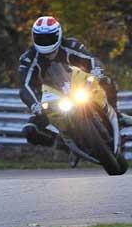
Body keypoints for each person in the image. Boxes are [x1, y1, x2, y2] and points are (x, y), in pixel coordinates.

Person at [18, 15, 132, 146]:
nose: (45, 41)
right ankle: (62, 145)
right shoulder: (28, 59)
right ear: (34, 37)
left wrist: (97, 71)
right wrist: (35, 105)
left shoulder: (70, 45)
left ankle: (116, 116)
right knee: (29, 131)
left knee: (106, 81)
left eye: (49, 38)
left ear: (58, 35)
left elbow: (91, 60)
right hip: (49, 102)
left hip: (77, 88)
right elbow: (25, 86)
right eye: (41, 38)